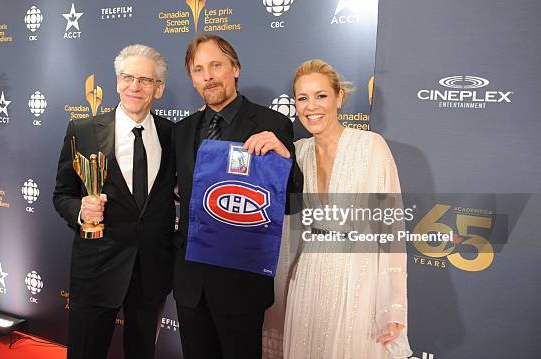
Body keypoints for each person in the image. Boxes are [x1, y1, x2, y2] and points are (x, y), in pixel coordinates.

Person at [172, 34, 303, 359]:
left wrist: (284, 159)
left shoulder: (272, 124)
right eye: (198, 69)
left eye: (216, 65)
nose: (208, 76)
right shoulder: (182, 131)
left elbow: (291, 203)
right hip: (191, 286)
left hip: (241, 286)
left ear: (235, 69)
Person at [53, 44, 176, 359]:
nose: (135, 86)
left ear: (158, 89)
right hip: (96, 268)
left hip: (151, 272)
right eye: (128, 77)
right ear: (118, 81)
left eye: (145, 80)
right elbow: (62, 194)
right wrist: (80, 209)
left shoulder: (172, 134)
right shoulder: (83, 130)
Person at [283, 59, 412, 358]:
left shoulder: (371, 146)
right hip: (309, 274)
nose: (311, 106)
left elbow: (389, 227)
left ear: (339, 97)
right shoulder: (298, 151)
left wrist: (392, 304)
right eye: (302, 98)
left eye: (321, 96)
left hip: (358, 278)